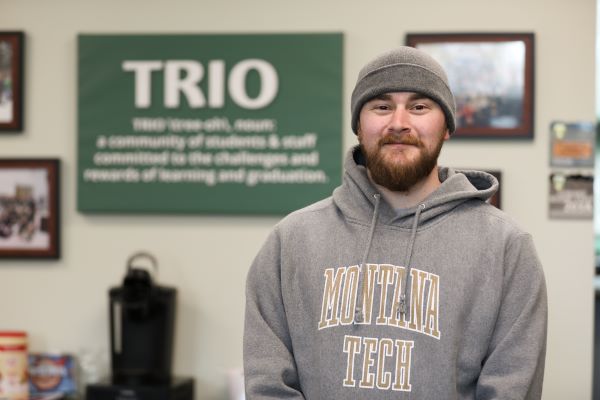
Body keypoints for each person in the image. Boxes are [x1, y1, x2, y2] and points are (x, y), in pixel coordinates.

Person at [243, 46, 547, 399]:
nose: (399, 122)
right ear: (359, 124)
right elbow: (268, 386)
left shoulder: (507, 248)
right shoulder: (291, 242)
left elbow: (512, 389)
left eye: (419, 106)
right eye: (382, 106)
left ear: (447, 125)